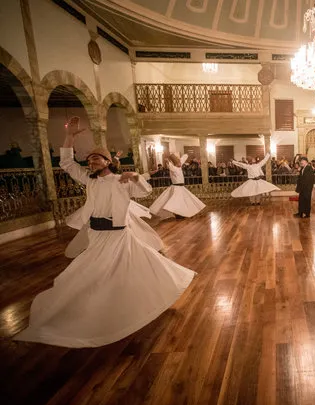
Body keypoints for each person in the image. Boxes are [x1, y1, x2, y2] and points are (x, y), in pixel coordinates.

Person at [14, 117, 196, 348]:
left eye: (96, 158)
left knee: (125, 267)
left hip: (119, 234)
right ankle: (96, 305)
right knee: (91, 270)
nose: (91, 162)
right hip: (96, 234)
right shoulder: (89, 180)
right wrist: (70, 136)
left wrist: (137, 177)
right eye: (89, 159)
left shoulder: (121, 179)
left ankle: (141, 297)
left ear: (108, 161)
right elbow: (67, 163)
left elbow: (145, 191)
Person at [149, 153, 206, 219]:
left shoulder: (179, 165)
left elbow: (185, 156)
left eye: (180, 162)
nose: (180, 164)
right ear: (175, 163)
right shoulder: (173, 168)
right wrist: (168, 161)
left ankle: (181, 213)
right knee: (176, 201)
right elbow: (170, 166)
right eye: (178, 163)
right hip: (176, 188)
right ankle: (178, 213)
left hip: (181, 187)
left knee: (185, 200)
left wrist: (184, 156)